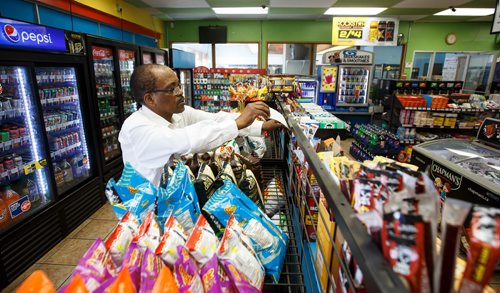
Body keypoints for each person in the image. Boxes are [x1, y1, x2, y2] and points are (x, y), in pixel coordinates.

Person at [119, 64, 283, 186]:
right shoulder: (136, 127)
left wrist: (260, 126)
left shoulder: (177, 114)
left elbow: (215, 119)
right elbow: (187, 140)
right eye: (171, 89)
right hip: (148, 213)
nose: (180, 92)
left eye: (178, 85)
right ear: (150, 99)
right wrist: (238, 122)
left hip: (174, 198)